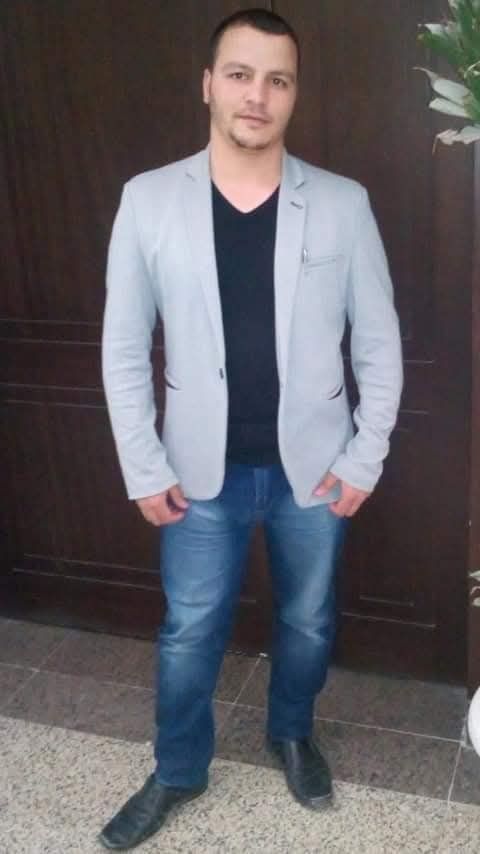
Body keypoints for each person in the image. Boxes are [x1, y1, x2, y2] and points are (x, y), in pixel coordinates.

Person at [100, 7, 403, 850]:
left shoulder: (342, 204)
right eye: (239, 75)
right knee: (189, 630)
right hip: (196, 472)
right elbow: (123, 347)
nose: (257, 96)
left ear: (295, 94)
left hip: (316, 470)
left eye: (277, 80)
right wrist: (142, 463)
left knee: (308, 621)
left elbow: (379, 344)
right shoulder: (149, 200)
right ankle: (177, 769)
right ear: (208, 84)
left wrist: (365, 458)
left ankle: (291, 731)